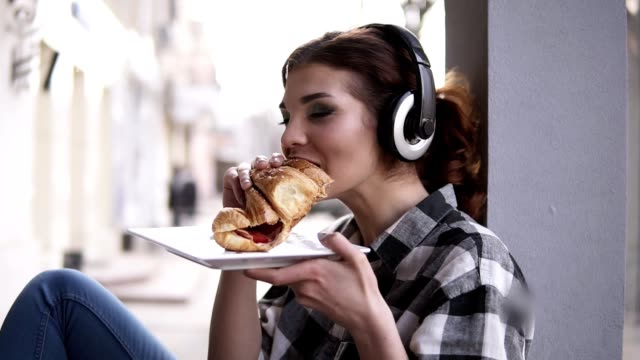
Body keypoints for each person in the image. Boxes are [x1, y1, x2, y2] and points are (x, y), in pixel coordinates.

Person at [0, 23, 534, 359]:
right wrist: (242, 244)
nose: (290, 136)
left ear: (401, 125)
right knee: (59, 297)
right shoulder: (327, 241)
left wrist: (369, 322)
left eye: (319, 111)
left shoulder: (470, 264)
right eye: (287, 117)